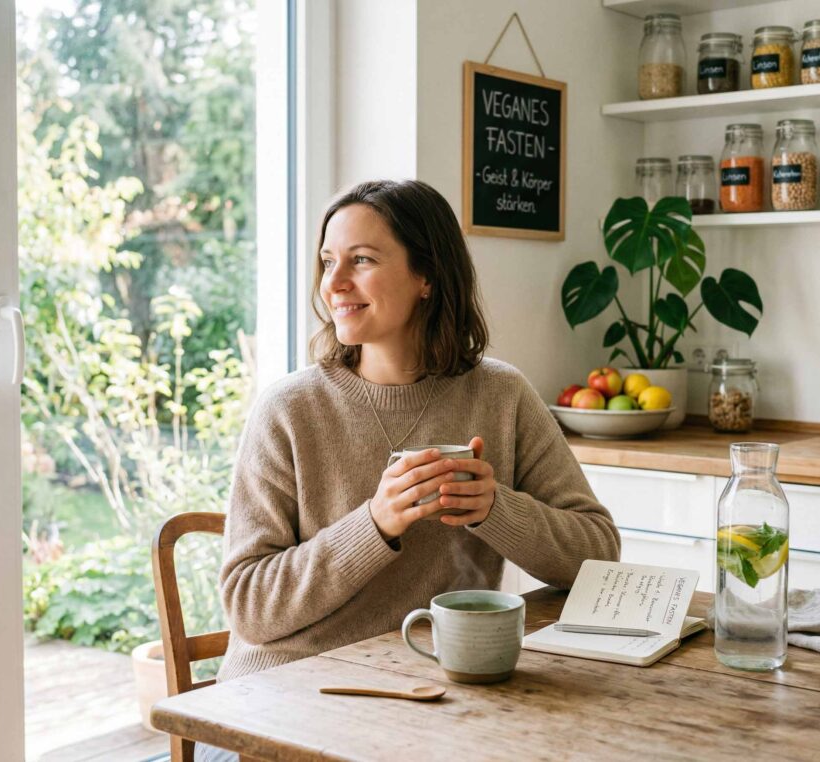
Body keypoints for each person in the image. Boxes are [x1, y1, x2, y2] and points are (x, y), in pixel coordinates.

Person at [198, 178, 619, 760]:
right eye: (328, 262)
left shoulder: (501, 395)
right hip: (287, 699)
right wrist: (373, 525)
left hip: (432, 697)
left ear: (427, 276)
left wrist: (496, 509)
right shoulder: (289, 409)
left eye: (362, 260)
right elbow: (249, 606)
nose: (334, 283)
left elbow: (598, 554)